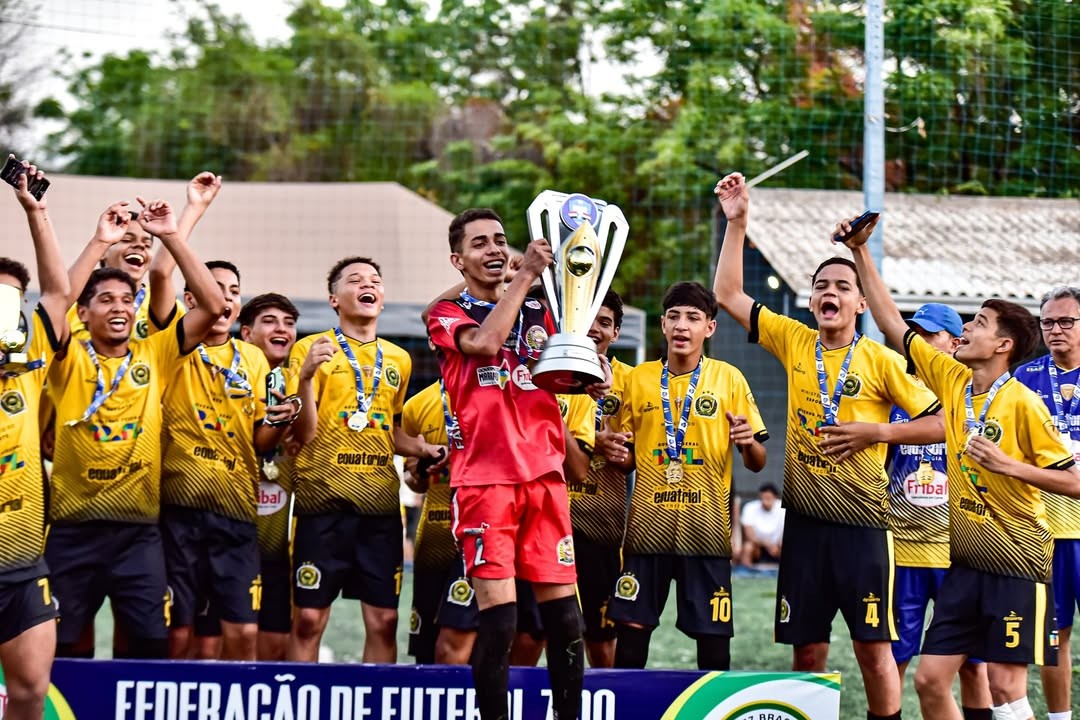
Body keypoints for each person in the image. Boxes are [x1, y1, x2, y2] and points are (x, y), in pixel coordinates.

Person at [711, 173, 943, 720]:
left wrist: (877, 432)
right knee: (807, 648)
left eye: (841, 286)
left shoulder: (883, 361)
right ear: (810, 300)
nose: (829, 293)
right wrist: (737, 222)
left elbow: (941, 424)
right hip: (807, 526)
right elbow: (726, 295)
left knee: (872, 650)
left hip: (864, 529)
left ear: (861, 302)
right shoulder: (794, 339)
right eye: (821, 286)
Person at [838, 215, 1080, 720]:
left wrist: (1011, 466)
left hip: (1018, 562)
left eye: (980, 324)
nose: (965, 329)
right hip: (964, 563)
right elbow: (891, 324)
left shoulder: (1025, 404)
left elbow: (1075, 482)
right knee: (929, 681)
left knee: (1007, 685)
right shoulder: (951, 380)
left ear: (1003, 345)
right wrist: (861, 252)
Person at [427, 208, 609, 720]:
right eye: (479, 243)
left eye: (500, 240)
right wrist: (525, 273)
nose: (493, 249)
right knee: (501, 625)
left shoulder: (541, 314)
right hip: (486, 480)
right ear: (457, 259)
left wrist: (589, 379)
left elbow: (557, 378)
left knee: (566, 624)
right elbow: (484, 345)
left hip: (545, 477)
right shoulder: (444, 313)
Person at [46, 196, 225, 659]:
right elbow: (57, 298)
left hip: (139, 532)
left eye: (127, 299)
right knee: (64, 646)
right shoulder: (66, 357)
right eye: (105, 300)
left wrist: (170, 234)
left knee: (149, 643)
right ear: (83, 313)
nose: (120, 307)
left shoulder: (155, 353)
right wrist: (99, 241)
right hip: (72, 530)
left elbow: (212, 302)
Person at [604, 281, 767, 671]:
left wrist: (746, 441)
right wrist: (614, 450)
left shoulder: (729, 379)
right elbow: (625, 457)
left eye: (693, 317)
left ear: (709, 328)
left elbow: (757, 461)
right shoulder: (637, 379)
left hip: (706, 535)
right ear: (662, 324)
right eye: (674, 316)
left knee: (713, 646)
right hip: (646, 532)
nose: (682, 326)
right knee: (630, 636)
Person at [286, 256, 442, 663]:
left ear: (383, 299)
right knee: (307, 619)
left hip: (380, 510)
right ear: (334, 299)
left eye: (374, 279)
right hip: (323, 505)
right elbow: (303, 432)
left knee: (383, 622)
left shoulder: (398, 360)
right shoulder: (311, 348)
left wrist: (421, 448)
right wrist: (304, 378)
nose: (366, 285)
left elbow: (386, 429)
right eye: (354, 280)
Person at [158, 263, 299, 661]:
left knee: (243, 634)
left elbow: (258, 440)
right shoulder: (171, 345)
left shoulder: (252, 360)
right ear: (192, 299)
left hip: (237, 512)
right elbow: (160, 277)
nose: (225, 298)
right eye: (215, 289)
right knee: (179, 633)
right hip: (179, 510)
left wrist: (278, 420)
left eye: (234, 291)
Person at [0, 159, 68, 720]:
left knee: (29, 688)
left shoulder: (30, 361)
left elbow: (59, 291)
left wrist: (36, 212)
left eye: (12, 298)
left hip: (22, 563)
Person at [1015, 286, 1080, 720]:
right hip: (1047, 530)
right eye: (1048, 322)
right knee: (1056, 634)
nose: (1055, 330)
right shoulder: (1024, 379)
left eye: (1066, 322)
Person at [559, 290, 633, 668]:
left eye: (605, 322)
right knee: (540, 632)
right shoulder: (550, 372)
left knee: (602, 640)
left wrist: (620, 449)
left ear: (616, 332)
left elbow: (642, 451)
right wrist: (591, 441)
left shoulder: (632, 382)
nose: (594, 329)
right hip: (550, 522)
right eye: (588, 319)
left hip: (602, 528)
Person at [238, 293, 302, 661]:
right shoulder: (227, 375)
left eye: (288, 323)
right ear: (246, 333)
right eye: (270, 321)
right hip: (227, 539)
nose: (282, 328)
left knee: (274, 648)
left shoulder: (300, 383)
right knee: (222, 647)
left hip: (276, 549)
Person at [737, 482, 785, 569]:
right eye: (762, 498)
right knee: (748, 548)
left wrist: (777, 545)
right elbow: (749, 535)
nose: (764, 502)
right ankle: (745, 574)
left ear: (775, 497)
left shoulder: (783, 509)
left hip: (777, 548)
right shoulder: (750, 508)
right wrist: (767, 545)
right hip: (757, 548)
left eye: (768, 498)